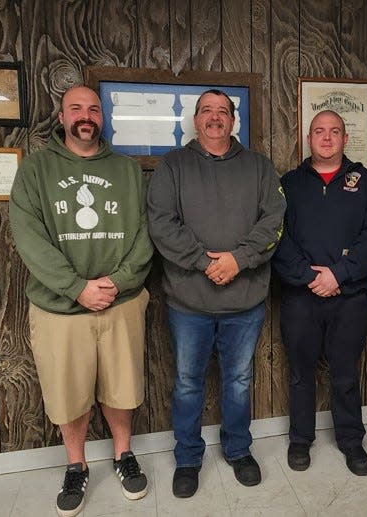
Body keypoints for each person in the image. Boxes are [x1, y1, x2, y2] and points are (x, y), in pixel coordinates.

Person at [9, 86, 153, 517]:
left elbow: (147, 235)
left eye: (93, 108)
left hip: (121, 301)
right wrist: (77, 288)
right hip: (60, 309)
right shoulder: (35, 170)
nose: (85, 115)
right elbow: (29, 239)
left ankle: (122, 455)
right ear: (62, 115)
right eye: (76, 108)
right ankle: (76, 464)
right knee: (68, 393)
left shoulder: (128, 171)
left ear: (102, 117)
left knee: (121, 387)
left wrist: (118, 281)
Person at [147, 89, 286, 498]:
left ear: (233, 120)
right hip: (189, 303)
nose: (214, 117)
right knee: (188, 383)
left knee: (239, 380)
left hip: (244, 302)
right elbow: (161, 225)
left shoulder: (260, 168)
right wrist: (205, 262)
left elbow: (274, 221)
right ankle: (188, 458)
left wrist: (238, 260)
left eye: (222, 111)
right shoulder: (173, 166)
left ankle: (238, 449)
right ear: (195, 119)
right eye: (207, 110)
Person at [272, 110, 367, 475]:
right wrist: (309, 276)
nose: (326, 138)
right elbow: (277, 238)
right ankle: (300, 440)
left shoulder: (366, 183)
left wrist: (338, 275)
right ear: (308, 139)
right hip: (300, 296)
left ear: (344, 138)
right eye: (319, 131)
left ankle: (352, 441)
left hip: (350, 296)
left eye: (334, 131)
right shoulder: (289, 183)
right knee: (301, 374)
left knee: (345, 374)